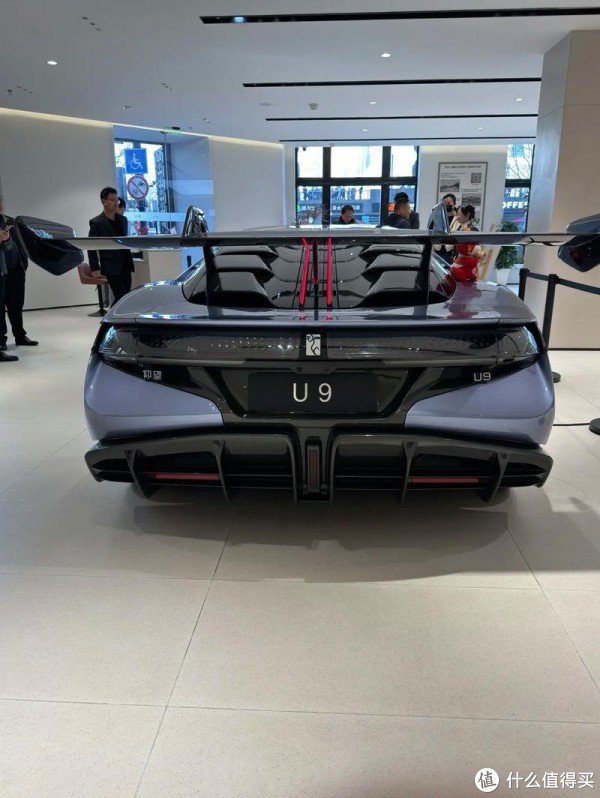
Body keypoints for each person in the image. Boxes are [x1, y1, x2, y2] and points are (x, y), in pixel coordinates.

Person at [0, 194, 38, 353]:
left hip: (16, 269)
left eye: (0, 201)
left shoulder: (10, 221)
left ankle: (20, 335)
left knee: (16, 304)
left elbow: (21, 243)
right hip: (1, 272)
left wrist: (24, 263)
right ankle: (1, 340)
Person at [88, 187, 134, 304]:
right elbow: (91, 245)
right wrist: (94, 267)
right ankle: (111, 315)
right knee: (121, 296)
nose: (115, 203)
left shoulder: (123, 220)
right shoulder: (97, 222)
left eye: (116, 200)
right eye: (112, 200)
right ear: (104, 202)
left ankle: (114, 315)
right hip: (111, 266)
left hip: (126, 264)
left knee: (126, 297)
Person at [450, 205, 483, 282]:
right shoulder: (460, 228)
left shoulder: (472, 230)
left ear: (467, 214)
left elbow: (472, 251)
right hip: (458, 263)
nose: (457, 216)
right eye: (457, 214)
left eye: (459, 213)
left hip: (466, 266)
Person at [438, 193, 462, 264]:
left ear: (454, 203)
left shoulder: (458, 220)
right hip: (438, 251)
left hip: (450, 252)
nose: (446, 206)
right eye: (444, 204)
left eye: (448, 203)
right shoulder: (439, 218)